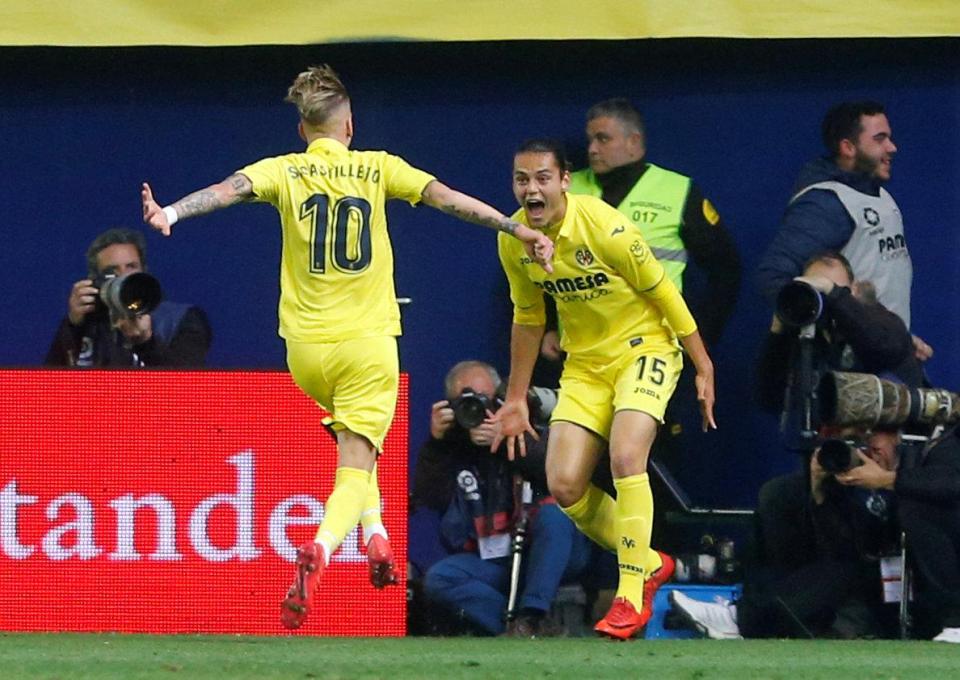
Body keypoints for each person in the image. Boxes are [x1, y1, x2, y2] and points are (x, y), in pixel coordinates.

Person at [139, 65, 554, 630]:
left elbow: (224, 192)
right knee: (355, 463)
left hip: (305, 353)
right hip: (367, 344)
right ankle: (323, 547)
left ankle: (376, 535)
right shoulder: (379, 168)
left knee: (363, 446)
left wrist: (171, 213)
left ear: (304, 128)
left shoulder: (283, 170)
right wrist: (517, 229)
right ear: (349, 124)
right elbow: (449, 199)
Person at [492, 138, 716, 640]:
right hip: (586, 366)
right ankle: (650, 561)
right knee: (566, 485)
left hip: (645, 349)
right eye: (521, 179)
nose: (532, 189)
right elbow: (529, 318)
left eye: (542, 178)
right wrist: (514, 397)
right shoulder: (514, 239)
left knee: (625, 455)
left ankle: (629, 594)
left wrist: (702, 364)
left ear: (564, 180)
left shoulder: (605, 226)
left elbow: (662, 290)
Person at [672, 424, 960, 643]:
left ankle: (741, 619)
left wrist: (887, 481)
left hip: (909, 588)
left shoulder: (929, 458)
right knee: (779, 495)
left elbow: (947, 487)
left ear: (899, 436)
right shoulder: (846, 484)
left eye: (876, 435)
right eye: (857, 437)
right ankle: (743, 613)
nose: (867, 447)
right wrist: (819, 492)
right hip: (848, 586)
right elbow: (832, 552)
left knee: (855, 568)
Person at [411, 360, 593, 637]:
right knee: (440, 578)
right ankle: (524, 628)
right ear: (451, 406)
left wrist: (507, 440)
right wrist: (437, 443)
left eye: (488, 400)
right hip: (493, 562)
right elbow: (430, 498)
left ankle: (532, 614)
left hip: (547, 555)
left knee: (555, 515)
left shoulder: (525, 428)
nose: (481, 411)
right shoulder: (449, 448)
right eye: (468, 402)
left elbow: (557, 476)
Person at [757, 100, 932, 361]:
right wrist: (833, 334)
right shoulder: (825, 203)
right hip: (848, 368)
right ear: (848, 147)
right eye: (879, 139)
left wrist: (899, 338)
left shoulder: (878, 194)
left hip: (885, 352)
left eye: (889, 138)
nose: (892, 147)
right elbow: (774, 276)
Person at [568, 98, 740, 347]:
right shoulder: (568, 189)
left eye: (603, 139)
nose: (592, 149)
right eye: (590, 140)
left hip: (655, 344)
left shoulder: (676, 191)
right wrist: (550, 327)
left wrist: (701, 334)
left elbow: (725, 268)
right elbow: (541, 265)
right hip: (583, 345)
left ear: (633, 142)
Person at [45, 228, 211, 367]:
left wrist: (146, 343)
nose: (123, 277)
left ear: (144, 271)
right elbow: (47, 387)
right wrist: (73, 327)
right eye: (111, 271)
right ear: (95, 279)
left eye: (131, 267)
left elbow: (186, 390)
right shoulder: (86, 323)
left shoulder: (180, 320)